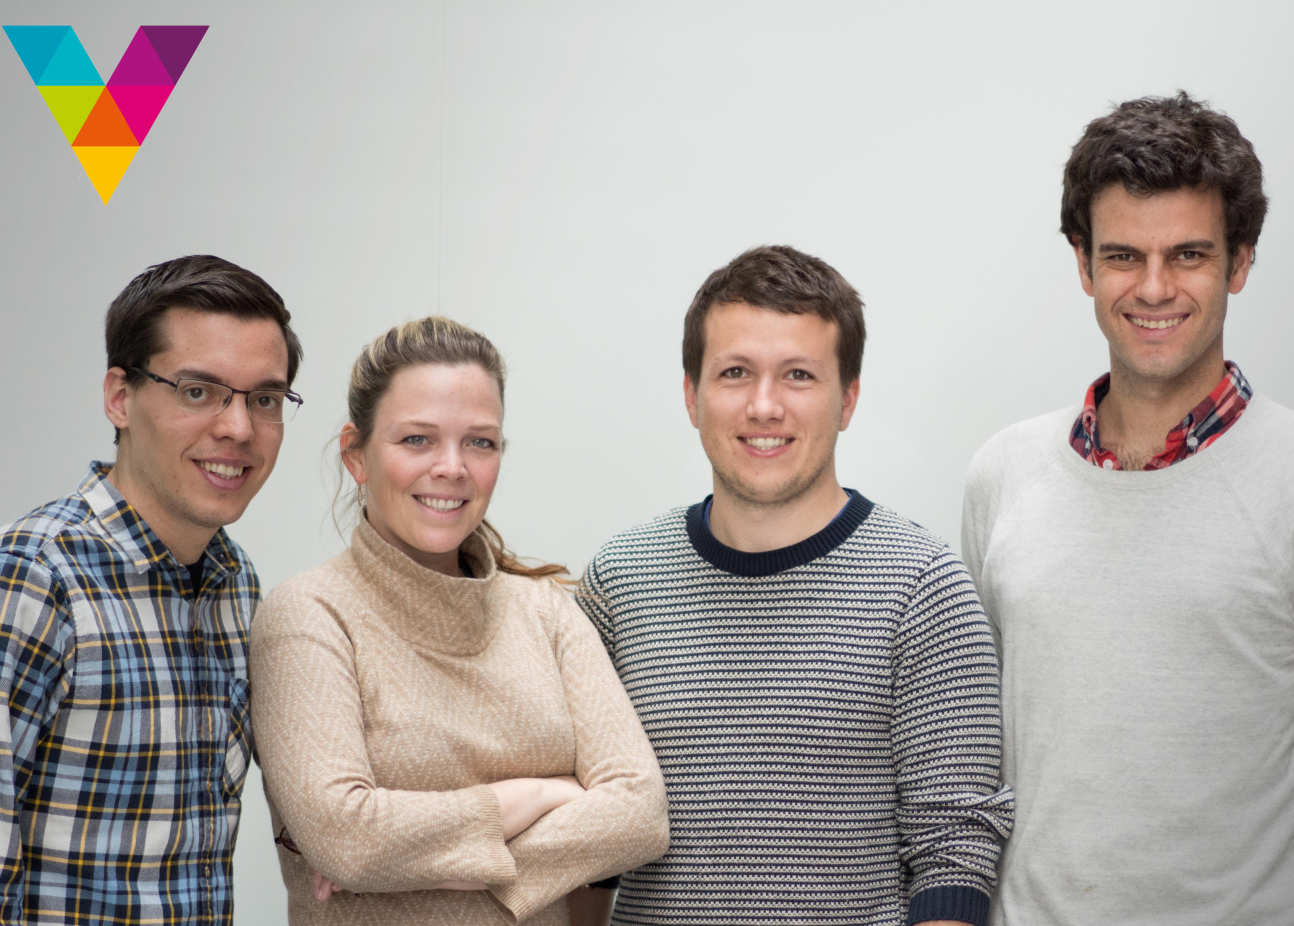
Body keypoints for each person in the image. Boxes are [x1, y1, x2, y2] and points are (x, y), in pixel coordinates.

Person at [575, 245, 1014, 926]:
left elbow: (954, 854)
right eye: (735, 373)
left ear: (848, 400)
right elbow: (586, 842)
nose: (764, 405)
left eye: (799, 375)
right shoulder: (618, 583)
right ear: (692, 395)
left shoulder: (925, 589)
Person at [962, 92, 1294, 925]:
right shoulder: (1002, 473)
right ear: (1083, 264)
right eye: (1122, 256)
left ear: (1241, 262)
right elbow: (972, 753)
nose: (1153, 288)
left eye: (1188, 254)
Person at [249, 316, 669, 925]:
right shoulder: (309, 617)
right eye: (417, 439)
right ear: (356, 455)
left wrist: (403, 860)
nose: (452, 467)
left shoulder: (547, 612)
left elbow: (640, 814)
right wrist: (539, 794)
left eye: (480, 442)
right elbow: (350, 839)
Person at [0, 255, 304, 924]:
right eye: (198, 391)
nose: (238, 428)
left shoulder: (234, 583)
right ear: (120, 396)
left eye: (264, 399)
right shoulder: (36, 576)